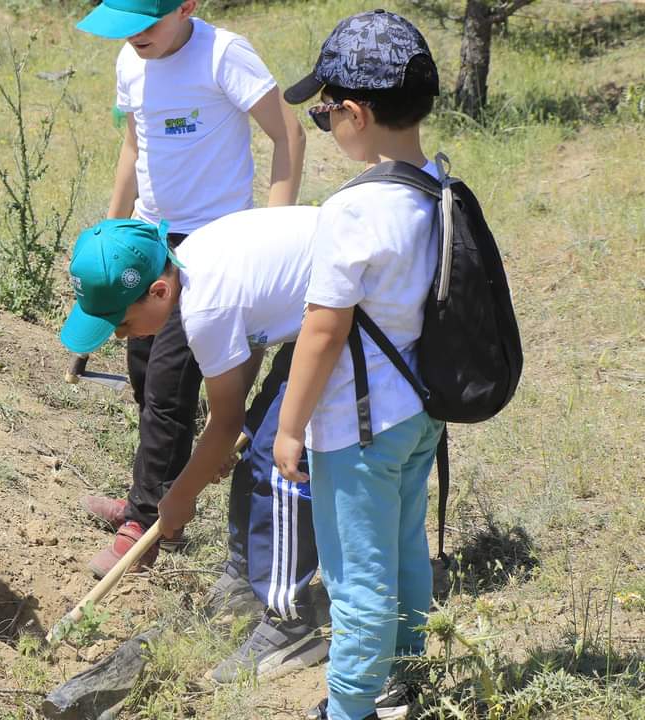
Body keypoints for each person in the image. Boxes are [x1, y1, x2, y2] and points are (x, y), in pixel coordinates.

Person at [74, 0, 306, 579]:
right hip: (147, 243)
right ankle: (153, 494)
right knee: (143, 376)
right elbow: (134, 149)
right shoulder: (132, 62)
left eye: (146, 24)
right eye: (122, 29)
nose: (133, 38)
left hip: (215, 251)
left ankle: (148, 523)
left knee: (169, 389)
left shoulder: (224, 55)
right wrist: (111, 231)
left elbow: (290, 134)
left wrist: (268, 229)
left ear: (187, 7)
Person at [59, 207, 328, 683]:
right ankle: (246, 578)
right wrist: (223, 442)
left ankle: (291, 621)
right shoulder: (190, 265)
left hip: (354, 310)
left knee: (274, 461)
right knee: (258, 438)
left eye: (121, 324)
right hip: (313, 308)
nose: (122, 337)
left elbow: (224, 423)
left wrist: (178, 497)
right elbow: (248, 345)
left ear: (158, 291)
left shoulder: (203, 308)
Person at [272, 11, 445, 720]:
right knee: (406, 554)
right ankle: (407, 677)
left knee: (357, 575)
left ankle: (348, 707)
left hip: (358, 426)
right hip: (419, 412)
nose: (323, 122)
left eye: (322, 112)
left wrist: (289, 428)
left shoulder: (353, 212)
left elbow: (321, 330)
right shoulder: (434, 186)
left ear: (355, 112)